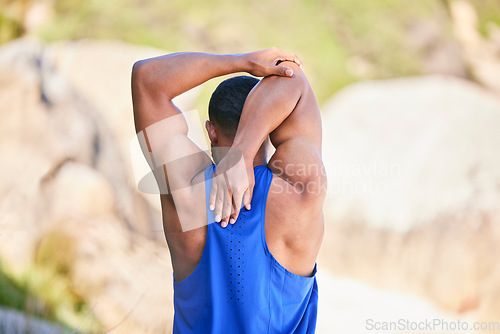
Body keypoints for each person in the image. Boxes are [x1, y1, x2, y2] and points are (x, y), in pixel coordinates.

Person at [131, 48, 326, 333]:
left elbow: (145, 79)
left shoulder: (186, 189)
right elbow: (292, 76)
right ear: (275, 124)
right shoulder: (300, 192)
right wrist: (244, 153)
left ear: (211, 130)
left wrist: (243, 62)